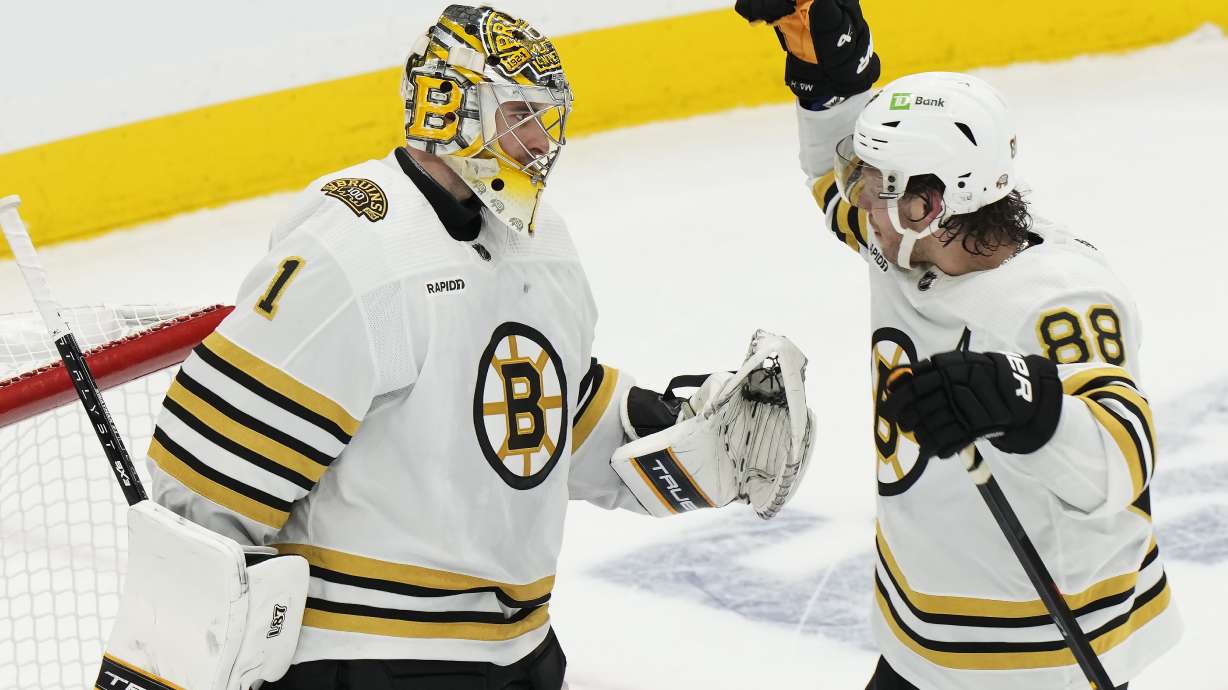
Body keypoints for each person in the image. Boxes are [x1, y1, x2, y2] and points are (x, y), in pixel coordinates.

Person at [134, 5, 815, 690]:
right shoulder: (356, 256)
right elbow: (208, 477)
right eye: (519, 114)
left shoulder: (541, 244)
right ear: (446, 109)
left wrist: (674, 438)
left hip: (521, 650)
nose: (540, 140)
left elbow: (542, 420)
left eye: (545, 117)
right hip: (367, 656)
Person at [735, 1, 1181, 688]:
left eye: (875, 186)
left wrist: (1031, 407)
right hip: (927, 635)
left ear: (930, 204)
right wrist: (830, 77)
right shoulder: (905, 244)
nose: (858, 200)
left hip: (1042, 654)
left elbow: (1123, 462)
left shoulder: (1059, 298)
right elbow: (831, 174)